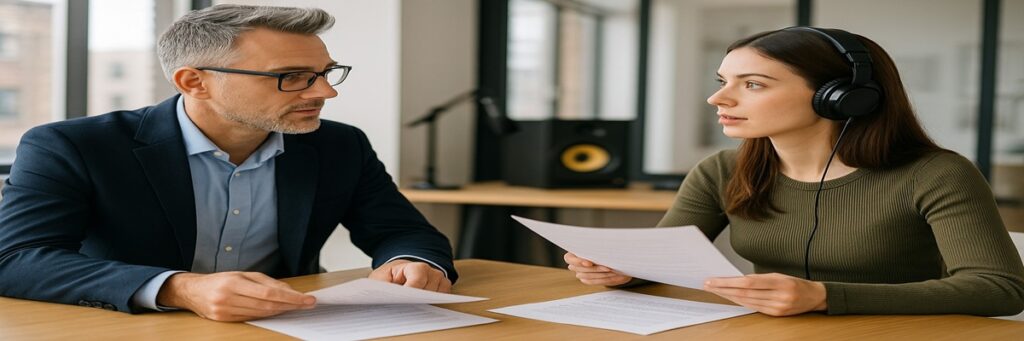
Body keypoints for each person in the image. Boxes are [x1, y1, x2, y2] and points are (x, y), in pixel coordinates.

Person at [0, 5, 457, 322]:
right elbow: (16, 259)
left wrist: (412, 261)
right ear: (194, 82)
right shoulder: (71, 145)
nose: (325, 92)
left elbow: (403, 231)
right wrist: (179, 288)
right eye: (291, 77)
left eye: (324, 73)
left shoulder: (339, 145)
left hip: (284, 328)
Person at [564, 27, 1024, 317]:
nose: (719, 100)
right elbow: (659, 262)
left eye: (753, 85)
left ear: (839, 97)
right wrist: (621, 270)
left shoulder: (935, 173)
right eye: (723, 83)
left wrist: (824, 296)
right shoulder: (720, 170)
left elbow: (998, 288)